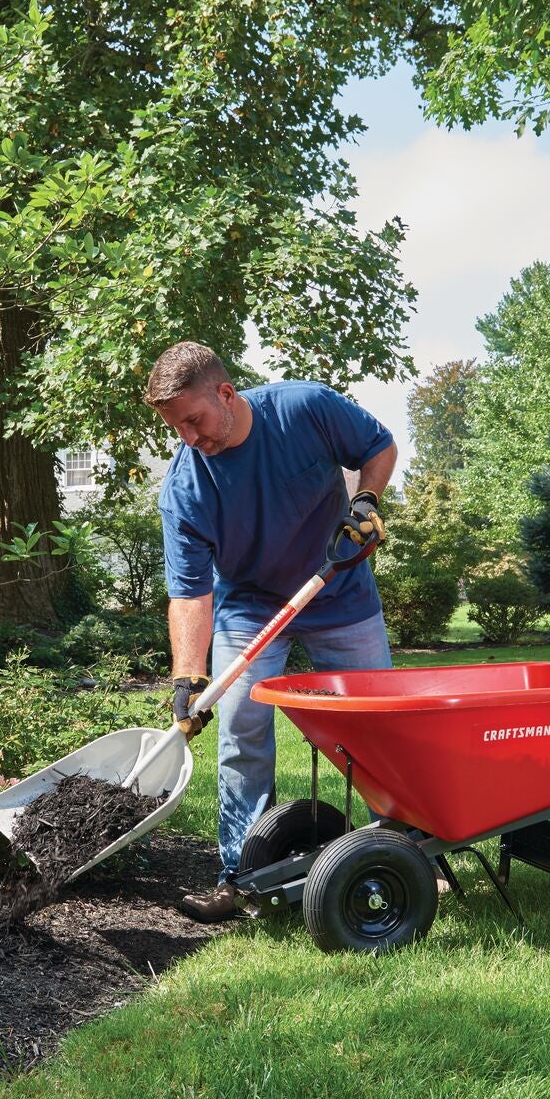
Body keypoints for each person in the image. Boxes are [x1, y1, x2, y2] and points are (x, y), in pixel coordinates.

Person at [146, 341, 396, 922]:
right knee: (241, 728)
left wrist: (366, 500)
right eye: (176, 428)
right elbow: (189, 592)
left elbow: (378, 447)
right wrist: (188, 674)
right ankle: (240, 874)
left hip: (341, 591)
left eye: (194, 420)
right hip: (252, 605)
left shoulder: (305, 408)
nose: (189, 438)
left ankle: (404, 845)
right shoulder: (184, 488)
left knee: (382, 727)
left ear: (226, 394)